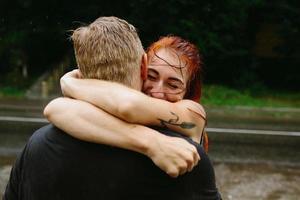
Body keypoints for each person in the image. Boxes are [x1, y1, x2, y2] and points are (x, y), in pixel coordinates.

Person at [4, 16, 221, 200]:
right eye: (152, 77)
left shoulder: (192, 115)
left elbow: (127, 105)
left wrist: (71, 83)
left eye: (173, 84)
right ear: (143, 67)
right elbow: (55, 109)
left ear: (188, 93)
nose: (157, 91)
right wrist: (152, 142)